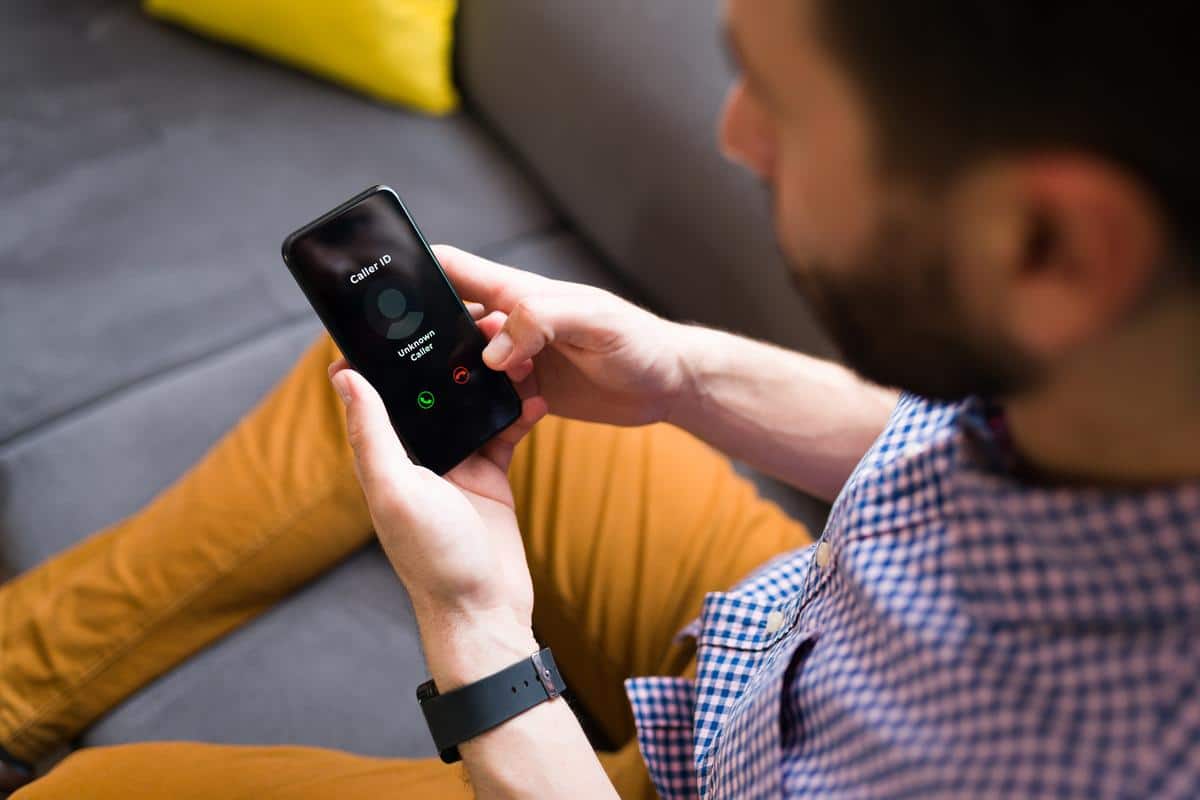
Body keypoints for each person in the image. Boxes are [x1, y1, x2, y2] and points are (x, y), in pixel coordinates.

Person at [3, 0, 1198, 796]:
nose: (734, 137)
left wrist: (478, 629)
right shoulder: (1131, 363)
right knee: (388, 382)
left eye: (777, 98)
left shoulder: (1117, 755)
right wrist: (679, 371)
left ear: (1050, 249)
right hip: (779, 639)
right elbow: (941, 434)